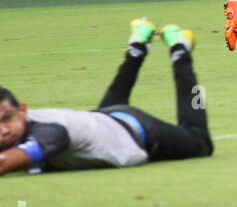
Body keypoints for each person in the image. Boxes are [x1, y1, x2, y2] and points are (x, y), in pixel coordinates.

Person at [0, 20, 214, 176]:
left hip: (137, 131)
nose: (4, 131)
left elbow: (4, 163)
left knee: (200, 143)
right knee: (102, 120)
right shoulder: (14, 134)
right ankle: (137, 44)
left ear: (23, 110)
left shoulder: (49, 133)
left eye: (7, 118)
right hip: (101, 119)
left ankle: (180, 51)